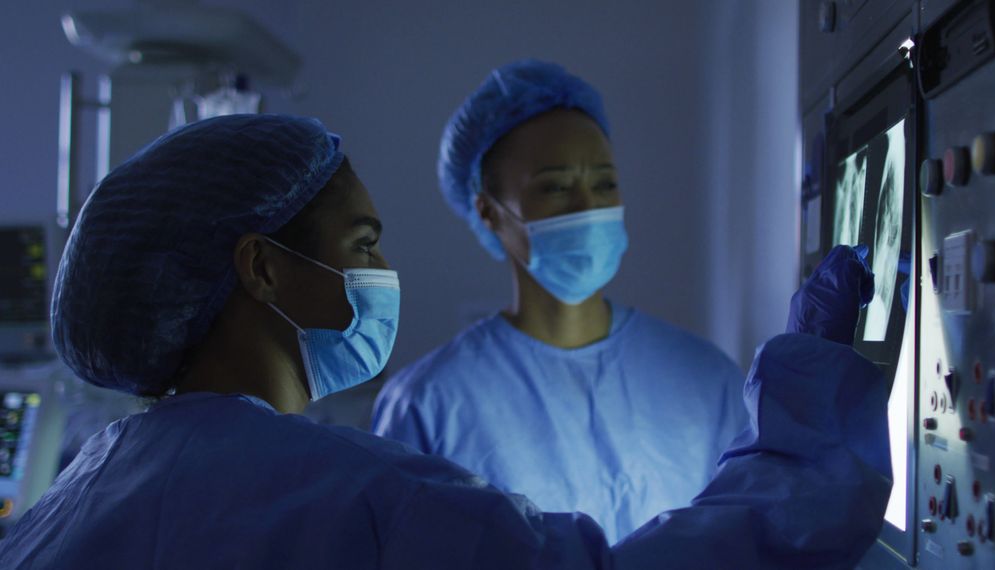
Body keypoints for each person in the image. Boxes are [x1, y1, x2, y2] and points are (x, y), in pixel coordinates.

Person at [0, 114, 889, 569]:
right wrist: (809, 407)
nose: (386, 269)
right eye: (362, 243)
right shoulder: (349, 501)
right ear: (261, 269)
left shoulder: (66, 507)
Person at [372, 59, 750, 542]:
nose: (588, 207)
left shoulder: (707, 380)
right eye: (554, 187)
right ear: (488, 211)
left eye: (604, 183)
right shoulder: (429, 405)